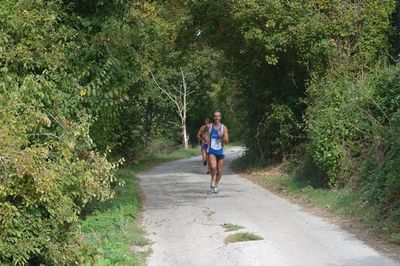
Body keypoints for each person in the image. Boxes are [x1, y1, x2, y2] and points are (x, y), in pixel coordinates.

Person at [208, 111, 229, 194]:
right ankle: (213, 178)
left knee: (219, 171)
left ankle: (216, 185)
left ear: (220, 117)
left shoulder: (224, 128)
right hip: (212, 150)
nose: (216, 117)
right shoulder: (210, 126)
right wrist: (205, 141)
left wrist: (221, 137)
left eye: (218, 116)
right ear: (213, 117)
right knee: (213, 167)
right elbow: (202, 133)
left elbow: (227, 141)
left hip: (220, 151)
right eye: (215, 116)